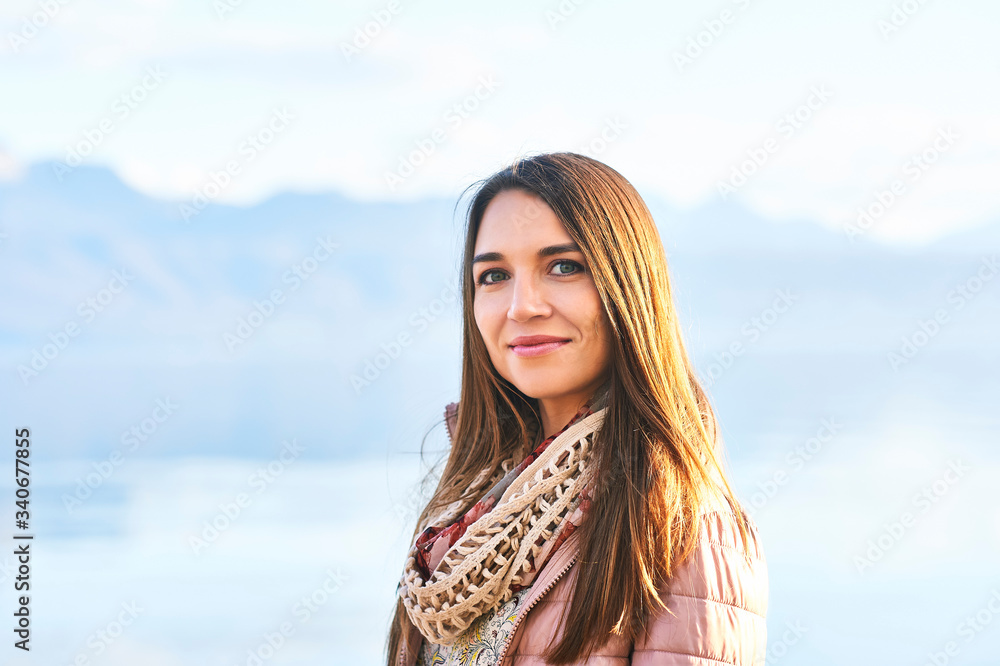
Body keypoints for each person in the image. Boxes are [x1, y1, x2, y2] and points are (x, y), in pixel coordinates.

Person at [387, 152, 768, 665]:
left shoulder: (678, 522)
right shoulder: (469, 508)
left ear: (629, 288)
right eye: (494, 276)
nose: (522, 305)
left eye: (563, 267)